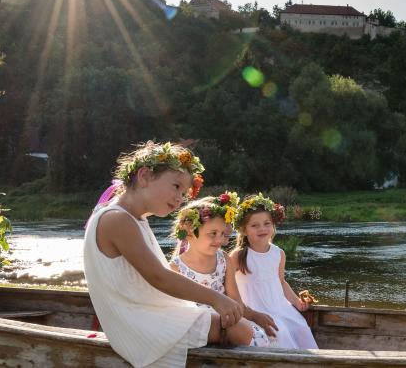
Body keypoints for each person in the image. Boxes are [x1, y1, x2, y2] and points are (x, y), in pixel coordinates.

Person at [83, 142, 242, 367]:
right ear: (145, 176)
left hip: (145, 314)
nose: (180, 198)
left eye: (184, 193)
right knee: (240, 330)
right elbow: (158, 276)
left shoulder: (134, 218)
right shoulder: (116, 219)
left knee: (234, 324)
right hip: (138, 323)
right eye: (176, 186)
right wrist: (216, 298)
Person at [168, 193, 276, 347]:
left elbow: (235, 300)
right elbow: (176, 309)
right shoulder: (176, 267)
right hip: (198, 324)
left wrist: (251, 316)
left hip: (227, 317)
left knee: (257, 336)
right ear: (189, 232)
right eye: (213, 234)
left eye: (222, 234)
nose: (219, 240)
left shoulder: (223, 259)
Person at [229, 193, 319, 350]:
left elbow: (281, 282)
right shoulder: (239, 255)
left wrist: (296, 302)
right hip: (254, 309)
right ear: (244, 230)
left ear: (273, 226)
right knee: (279, 333)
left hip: (278, 306)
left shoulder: (278, 253)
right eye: (254, 225)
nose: (262, 228)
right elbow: (227, 285)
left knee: (301, 327)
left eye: (267, 223)